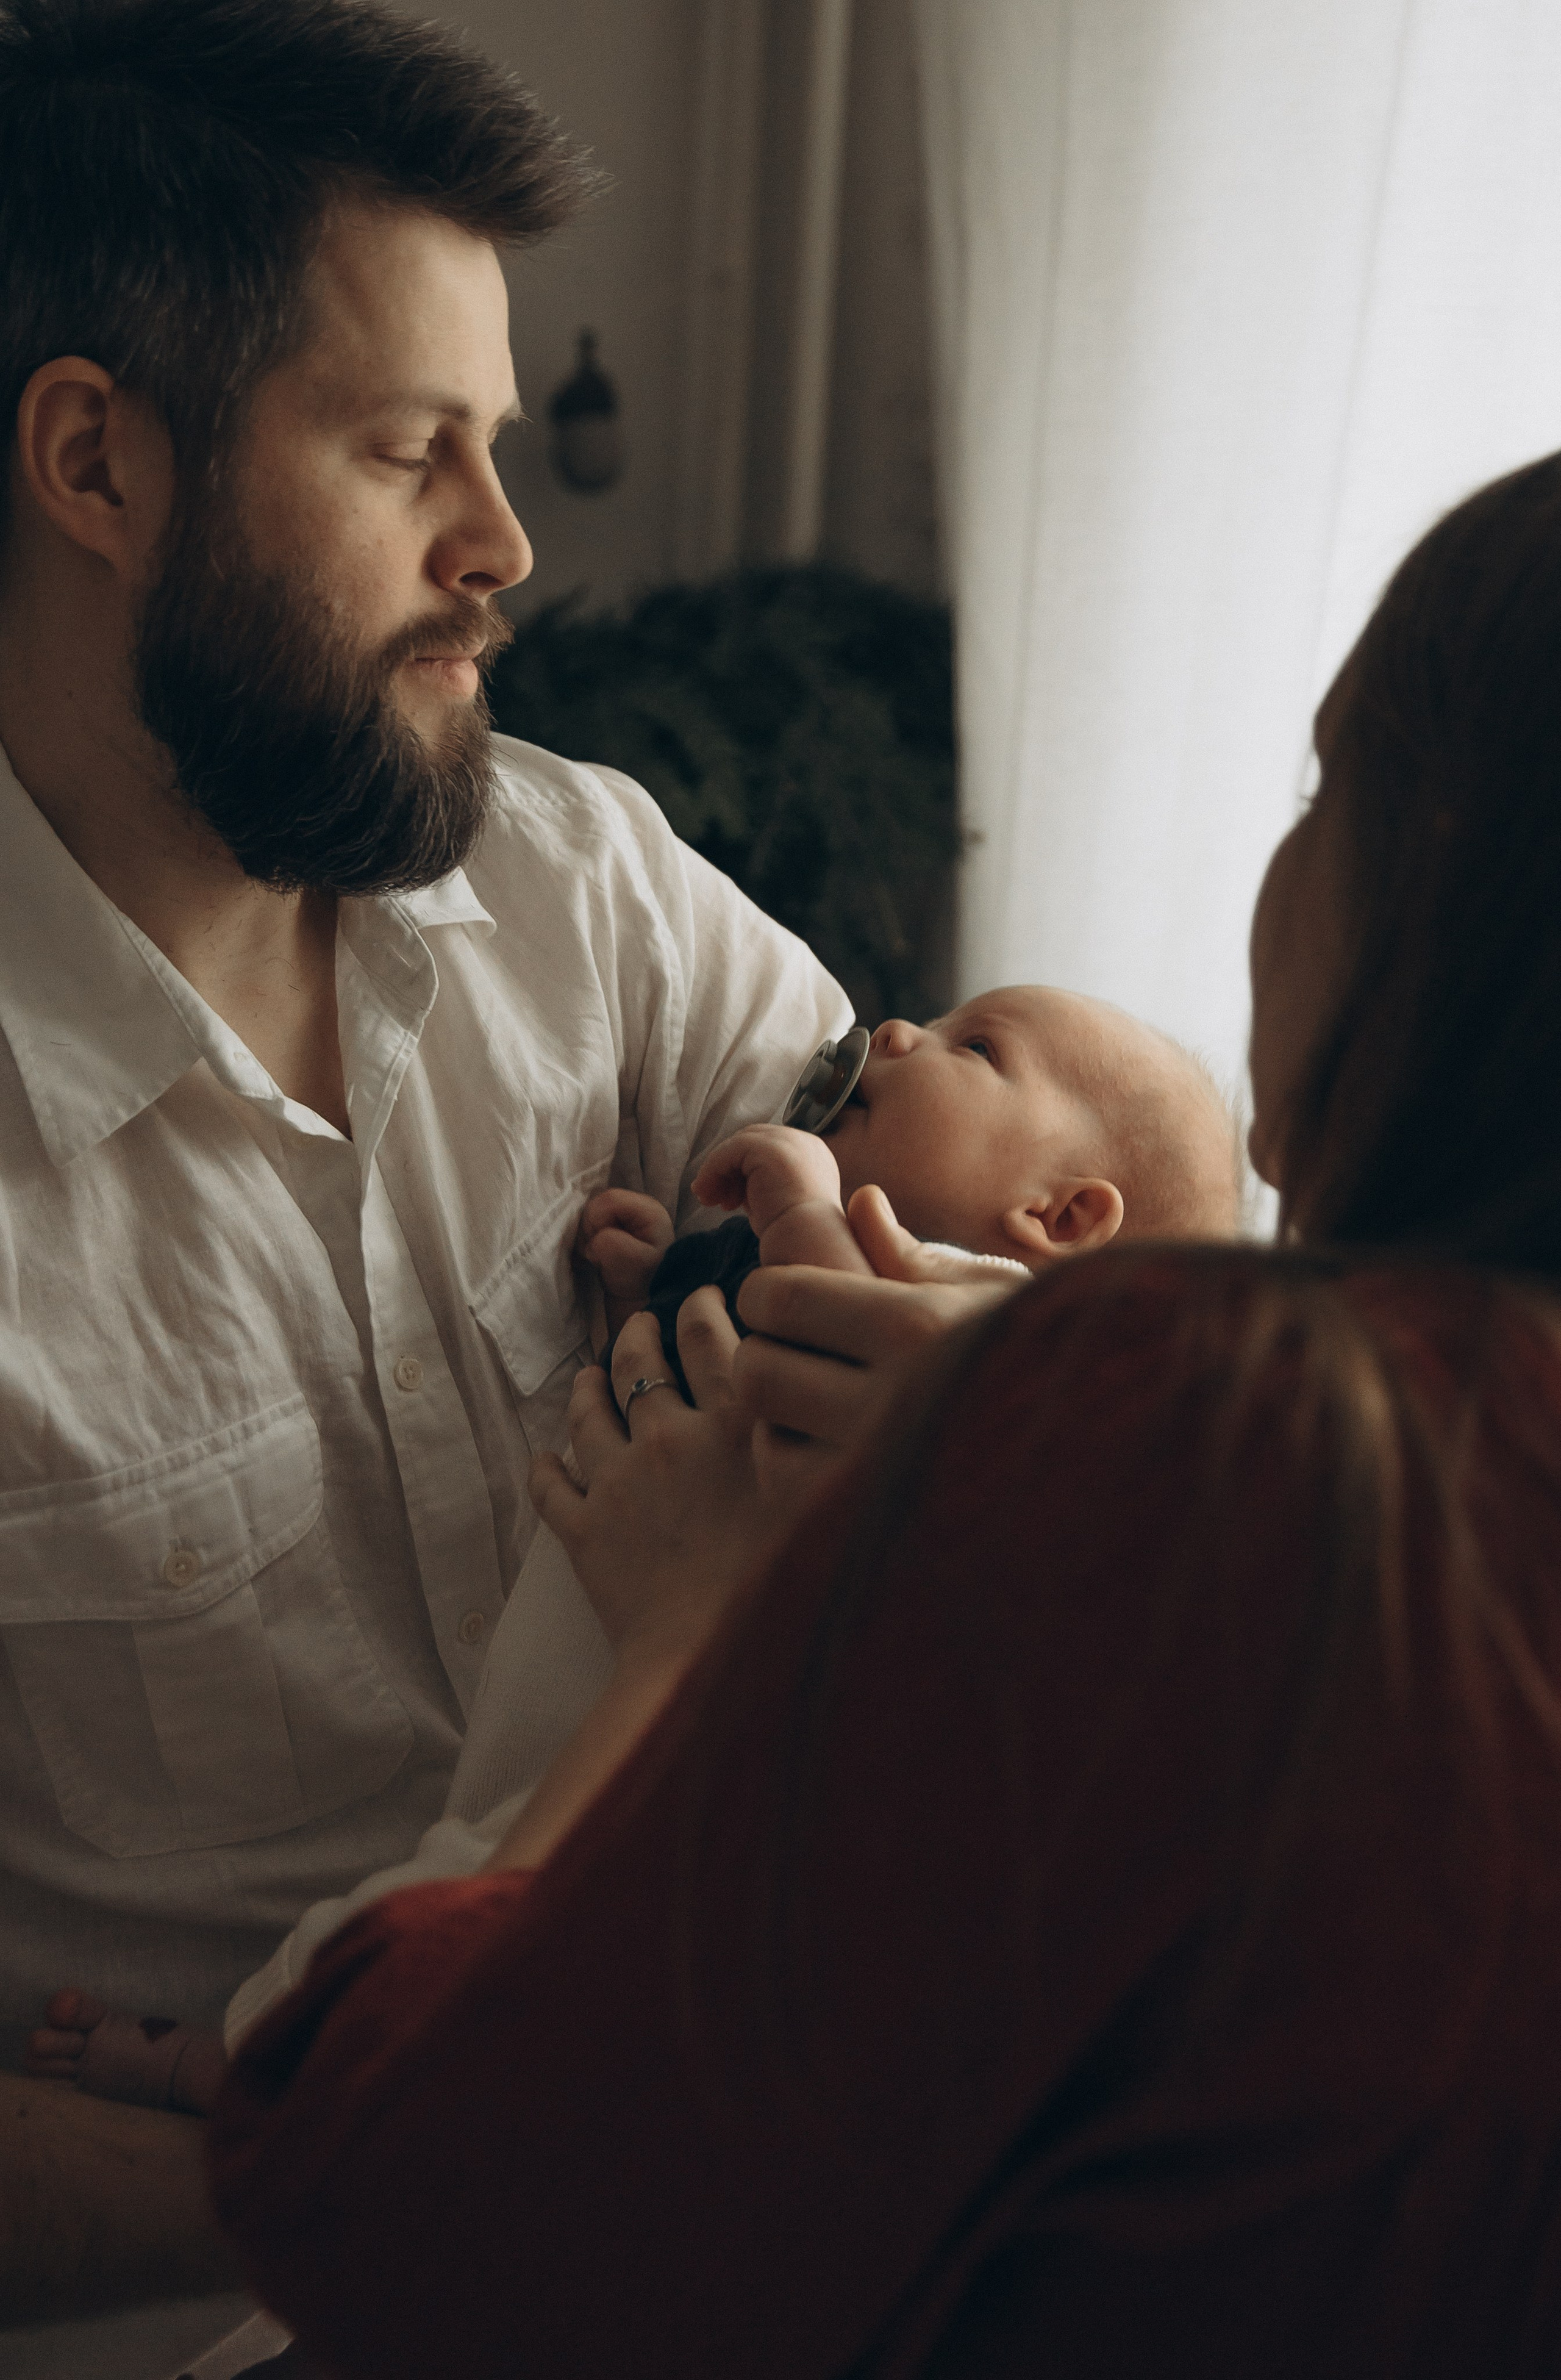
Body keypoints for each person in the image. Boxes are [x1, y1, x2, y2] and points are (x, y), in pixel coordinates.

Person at [208, 451, 1561, 2377]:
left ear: (1457, 886)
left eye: (1322, 789)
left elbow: (388, 2192)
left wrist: (690, 1617)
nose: (889, 1036)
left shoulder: (1231, 1438)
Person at [0, 0, 847, 2354]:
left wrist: (1016, 1349)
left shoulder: (593, 890)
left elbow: (992, 1236)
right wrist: (398, 2169)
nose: (508, 546)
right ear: (97, 459)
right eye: (410, 453)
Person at [25, 980, 1240, 2119]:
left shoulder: (973, 1308)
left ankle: (243, 2073)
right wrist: (646, 1284)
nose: (900, 1032)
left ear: (1061, 1214)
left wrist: (801, 1202)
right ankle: (257, 2069)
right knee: (434, 1898)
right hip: (573, 1716)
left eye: (978, 1047)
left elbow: (820, 1339)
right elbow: (704, 1371)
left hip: (675, 1761)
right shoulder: (812, 1269)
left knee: (450, 1915)